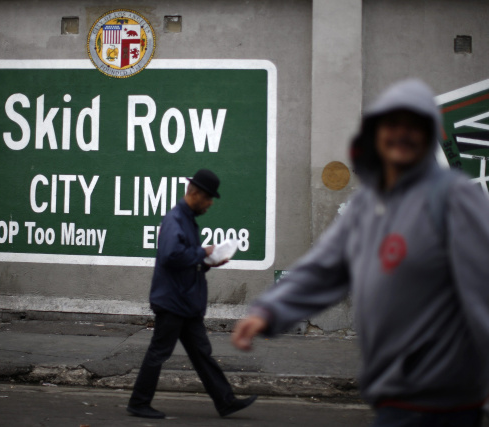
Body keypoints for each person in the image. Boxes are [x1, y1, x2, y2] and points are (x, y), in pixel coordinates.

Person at [232, 79, 489, 427]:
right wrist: (270, 310)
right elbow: (324, 268)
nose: (401, 134)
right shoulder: (368, 205)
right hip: (391, 391)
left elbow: (482, 289)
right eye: (391, 124)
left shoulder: (453, 198)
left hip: (446, 397)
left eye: (413, 125)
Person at [126, 169, 257, 419]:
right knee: (159, 352)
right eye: (208, 199)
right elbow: (170, 255)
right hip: (173, 301)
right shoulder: (175, 219)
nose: (209, 204)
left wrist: (207, 262)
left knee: (201, 353)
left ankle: (225, 401)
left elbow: (184, 258)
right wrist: (203, 252)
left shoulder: (186, 220)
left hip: (185, 302)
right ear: (194, 193)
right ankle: (139, 402)